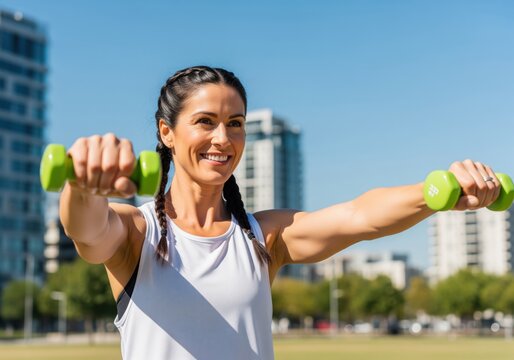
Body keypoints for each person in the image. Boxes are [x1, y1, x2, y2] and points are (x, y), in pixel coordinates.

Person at [59, 65, 500, 359]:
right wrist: (81, 184)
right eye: (205, 121)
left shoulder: (262, 236)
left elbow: (358, 217)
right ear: (166, 132)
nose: (223, 138)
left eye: (235, 123)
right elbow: (87, 230)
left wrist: (439, 191)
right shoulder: (139, 230)